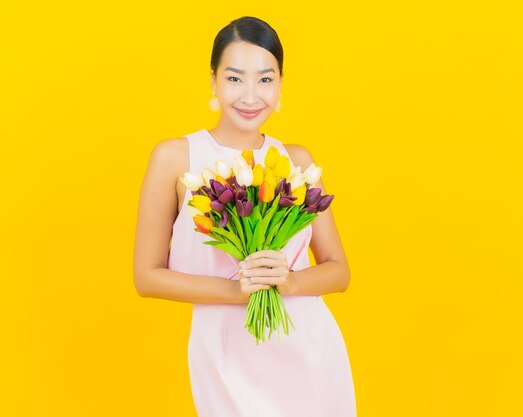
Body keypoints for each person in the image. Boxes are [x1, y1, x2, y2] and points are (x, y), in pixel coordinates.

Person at [133, 16, 356, 417]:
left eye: (265, 80)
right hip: (222, 355)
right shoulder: (175, 158)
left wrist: (287, 282)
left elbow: (339, 271)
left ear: (281, 86)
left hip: (309, 354)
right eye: (235, 79)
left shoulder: (296, 161)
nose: (250, 95)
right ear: (213, 83)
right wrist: (238, 291)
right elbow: (146, 277)